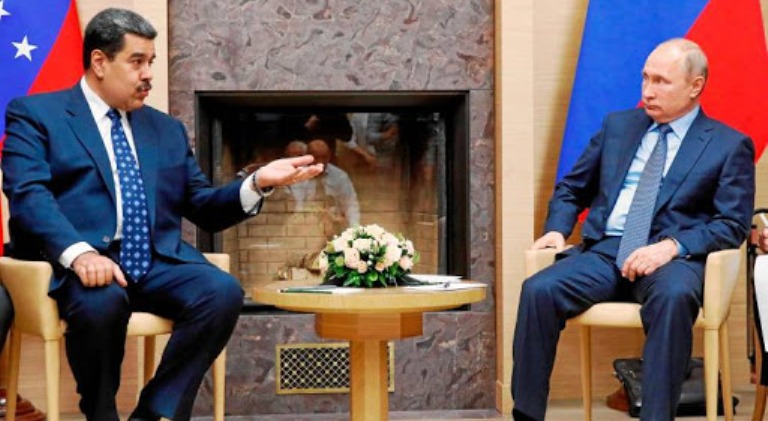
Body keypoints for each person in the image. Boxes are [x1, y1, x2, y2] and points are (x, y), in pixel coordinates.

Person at [0, 8, 322, 421]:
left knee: (221, 292)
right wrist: (80, 254)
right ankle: (101, 414)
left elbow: (203, 207)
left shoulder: (166, 129)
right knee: (101, 301)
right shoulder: (36, 115)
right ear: (99, 61)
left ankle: (153, 413)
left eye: (151, 61)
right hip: (80, 264)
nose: (148, 74)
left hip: (153, 262)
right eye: (137, 61)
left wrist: (257, 182)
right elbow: (29, 196)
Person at [512, 38, 755, 421]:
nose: (647, 91)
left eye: (661, 81)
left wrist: (671, 246)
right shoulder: (618, 127)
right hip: (607, 251)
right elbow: (572, 188)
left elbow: (731, 224)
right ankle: (525, 415)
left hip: (673, 259)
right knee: (538, 290)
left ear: (695, 86)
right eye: (645, 78)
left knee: (674, 297)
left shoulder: (727, 145)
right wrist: (558, 229)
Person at [290, 139, 361, 229]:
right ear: (307, 157)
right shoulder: (298, 175)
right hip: (306, 223)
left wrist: (354, 229)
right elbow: (298, 206)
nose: (321, 161)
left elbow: (350, 205)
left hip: (334, 223)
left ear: (329, 157)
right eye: (316, 157)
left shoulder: (340, 176)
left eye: (324, 157)